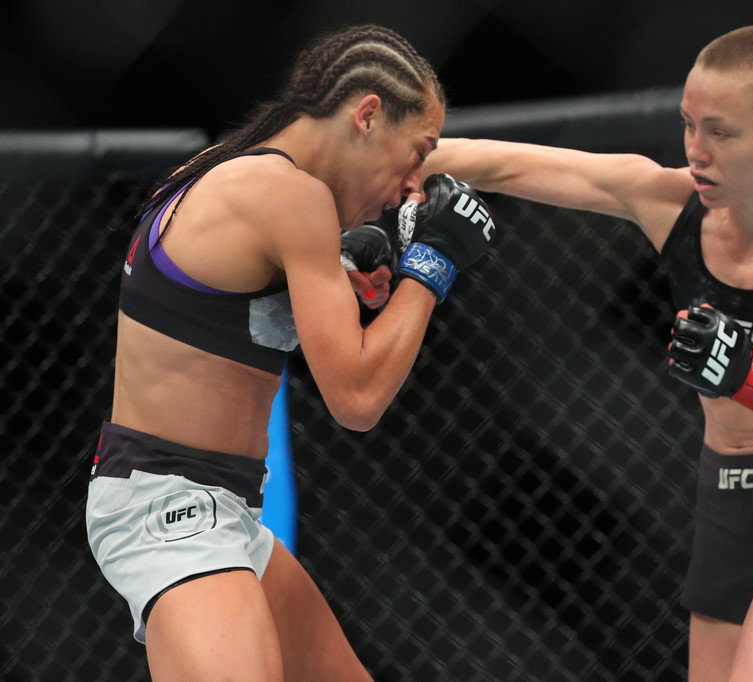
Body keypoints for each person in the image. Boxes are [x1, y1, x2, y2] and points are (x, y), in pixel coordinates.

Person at [423, 24, 753, 681]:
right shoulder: (668, 203)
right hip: (730, 496)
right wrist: (366, 158)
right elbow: (502, 163)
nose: (697, 151)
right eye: (689, 125)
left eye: (722, 132)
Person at [86, 24, 496, 681]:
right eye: (416, 152)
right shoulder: (289, 196)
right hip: (175, 510)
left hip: (212, 508)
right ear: (366, 115)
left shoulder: (228, 172)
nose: (412, 185)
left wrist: (337, 267)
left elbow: (215, 320)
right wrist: (433, 263)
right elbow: (357, 399)